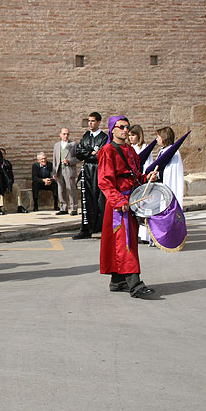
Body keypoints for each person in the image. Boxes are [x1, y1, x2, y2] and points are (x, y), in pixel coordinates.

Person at [97, 116, 157, 299]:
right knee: (126, 243)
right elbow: (104, 181)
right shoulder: (107, 151)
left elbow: (135, 176)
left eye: (127, 127)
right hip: (118, 204)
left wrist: (147, 178)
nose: (125, 130)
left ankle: (118, 281)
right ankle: (135, 284)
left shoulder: (130, 150)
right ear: (112, 130)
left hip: (131, 202)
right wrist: (119, 201)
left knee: (123, 241)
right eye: (121, 127)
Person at [73, 112, 108, 239]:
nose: (90, 123)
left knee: (99, 200)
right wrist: (91, 152)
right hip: (87, 170)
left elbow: (101, 154)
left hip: (98, 170)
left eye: (93, 121)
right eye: (89, 121)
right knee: (86, 199)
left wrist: (90, 153)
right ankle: (86, 228)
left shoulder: (104, 137)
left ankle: (100, 227)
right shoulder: (86, 136)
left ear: (98, 122)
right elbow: (78, 152)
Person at [128, 124, 153, 243]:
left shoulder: (144, 148)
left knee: (144, 208)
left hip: (142, 180)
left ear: (139, 136)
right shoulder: (129, 149)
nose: (130, 138)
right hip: (133, 182)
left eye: (133, 135)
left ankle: (146, 235)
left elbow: (148, 165)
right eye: (129, 135)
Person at [52, 127, 79, 215]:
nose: (66, 136)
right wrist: (54, 172)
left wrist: (69, 161)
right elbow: (54, 159)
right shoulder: (56, 145)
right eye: (64, 134)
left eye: (67, 134)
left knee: (71, 189)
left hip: (69, 169)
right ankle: (63, 208)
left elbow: (78, 158)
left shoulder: (73, 144)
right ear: (60, 135)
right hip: (59, 170)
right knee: (61, 189)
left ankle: (74, 208)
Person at [156, 126, 184, 208]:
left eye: (158, 137)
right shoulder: (162, 150)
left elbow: (170, 172)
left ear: (164, 138)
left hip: (168, 184)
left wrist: (158, 175)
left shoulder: (173, 152)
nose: (156, 139)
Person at [0, 148, 28, 213]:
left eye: (3, 154)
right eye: (0, 154)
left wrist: (10, 184)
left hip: (7, 183)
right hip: (0, 183)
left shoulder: (7, 163)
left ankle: (20, 206)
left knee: (16, 186)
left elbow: (11, 176)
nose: (2, 155)